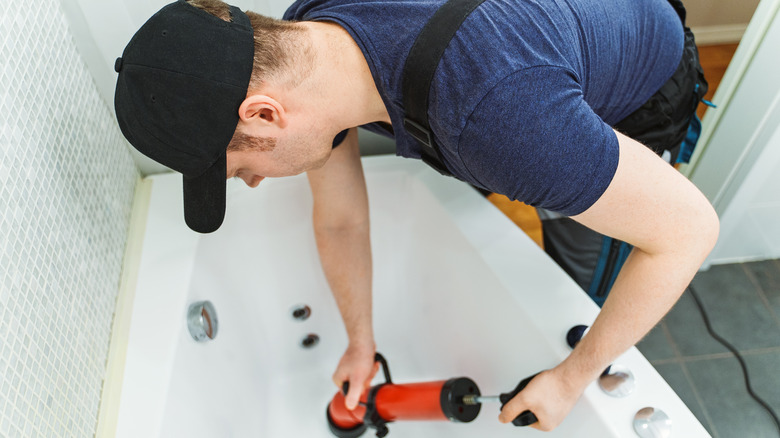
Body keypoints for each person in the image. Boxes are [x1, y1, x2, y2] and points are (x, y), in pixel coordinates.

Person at [113, 0, 719, 431]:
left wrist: (569, 378)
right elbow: (340, 219)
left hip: (641, 80)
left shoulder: (496, 116)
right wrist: (360, 340)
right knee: (519, 160)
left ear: (266, 114)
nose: (250, 182)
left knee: (577, 269)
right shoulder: (309, 36)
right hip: (526, 73)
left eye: (240, 169)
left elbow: (688, 232)